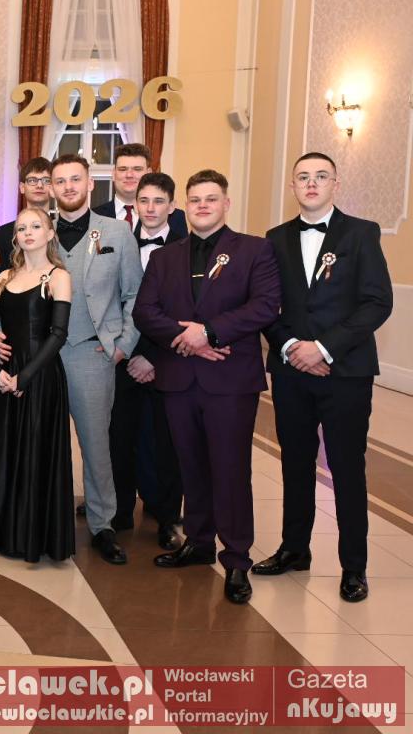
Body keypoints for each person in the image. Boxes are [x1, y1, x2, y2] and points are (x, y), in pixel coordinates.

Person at [134, 169, 280, 605]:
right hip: (179, 377)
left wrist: (209, 333)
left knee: (230, 471)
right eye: (195, 199)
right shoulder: (165, 258)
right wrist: (188, 338)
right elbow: (145, 311)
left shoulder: (255, 250)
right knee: (190, 466)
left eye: (211, 199)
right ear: (185, 206)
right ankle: (199, 544)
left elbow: (265, 306)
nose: (202, 206)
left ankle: (236, 559)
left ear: (226, 204)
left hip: (230, 380)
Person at [254, 152, 392, 603]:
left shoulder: (362, 233)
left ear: (335, 184)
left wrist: (325, 348)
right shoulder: (275, 238)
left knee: (347, 468)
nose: (311, 183)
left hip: (346, 371)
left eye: (320, 176)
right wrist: (293, 348)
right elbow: (264, 305)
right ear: (293, 186)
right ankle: (294, 549)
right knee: (294, 463)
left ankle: (354, 566)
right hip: (292, 371)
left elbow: (377, 302)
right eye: (303, 177)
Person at [43, 154, 142, 564]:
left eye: (75, 179)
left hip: (92, 353)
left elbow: (135, 294)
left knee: (97, 445)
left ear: (89, 184)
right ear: (51, 188)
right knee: (43, 442)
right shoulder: (38, 232)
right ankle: (45, 519)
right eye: (60, 180)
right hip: (43, 358)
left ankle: (103, 524)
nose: (68, 186)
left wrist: (123, 344)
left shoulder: (117, 232)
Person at [0, 207, 73, 560]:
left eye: (35, 226)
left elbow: (58, 335)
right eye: (22, 228)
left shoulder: (58, 276)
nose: (27, 232)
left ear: (50, 233)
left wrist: (24, 377)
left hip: (40, 376)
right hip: (5, 375)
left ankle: (30, 540)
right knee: (1, 453)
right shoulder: (5, 277)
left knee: (35, 454)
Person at [116, 172, 187, 550]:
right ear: (135, 204)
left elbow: (187, 312)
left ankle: (166, 516)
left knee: (167, 442)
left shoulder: (187, 249)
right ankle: (120, 510)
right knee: (120, 437)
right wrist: (127, 351)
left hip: (168, 360)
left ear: (172, 206)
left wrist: (154, 357)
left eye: (159, 201)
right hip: (123, 359)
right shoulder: (118, 242)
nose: (150, 208)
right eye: (144, 201)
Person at [93, 143, 186, 234]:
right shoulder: (94, 216)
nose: (129, 175)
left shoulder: (175, 217)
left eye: (137, 169)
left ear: (149, 173)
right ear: (113, 174)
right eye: (123, 169)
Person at [0, 157, 53, 267]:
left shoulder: (61, 228)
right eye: (32, 180)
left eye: (46, 180)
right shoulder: (3, 233)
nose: (39, 185)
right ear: (22, 187)